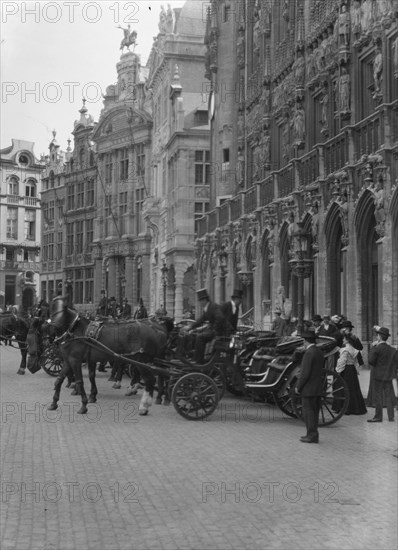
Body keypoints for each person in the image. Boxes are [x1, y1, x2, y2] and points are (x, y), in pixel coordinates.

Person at [295, 328, 326, 443]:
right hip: (317, 387)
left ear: (305, 341)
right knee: (314, 412)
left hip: (308, 388)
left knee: (309, 413)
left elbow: (305, 373)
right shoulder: (318, 351)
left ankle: (311, 435)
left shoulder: (309, 353)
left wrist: (299, 386)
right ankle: (312, 434)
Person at [187, 289, 227, 364]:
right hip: (214, 330)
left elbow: (220, 318)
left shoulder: (213, 307)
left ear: (205, 300)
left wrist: (214, 328)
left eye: (201, 301)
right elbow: (201, 320)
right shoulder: (208, 308)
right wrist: (191, 327)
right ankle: (195, 357)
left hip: (220, 331)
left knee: (200, 337)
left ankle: (199, 360)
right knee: (195, 335)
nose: (200, 303)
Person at [367, 327, 397, 423]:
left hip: (378, 376)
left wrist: (373, 347)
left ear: (379, 337)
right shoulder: (393, 350)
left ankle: (378, 417)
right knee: (389, 396)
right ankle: (391, 417)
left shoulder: (376, 348)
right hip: (389, 376)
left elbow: (371, 361)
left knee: (378, 397)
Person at [335, 333, 367, 415]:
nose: (343, 340)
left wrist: (338, 370)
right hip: (352, 370)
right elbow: (356, 362)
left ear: (347, 340)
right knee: (353, 388)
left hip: (346, 370)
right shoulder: (354, 349)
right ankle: (356, 408)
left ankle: (346, 408)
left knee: (345, 388)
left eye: (344, 339)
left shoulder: (345, 350)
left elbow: (342, 361)